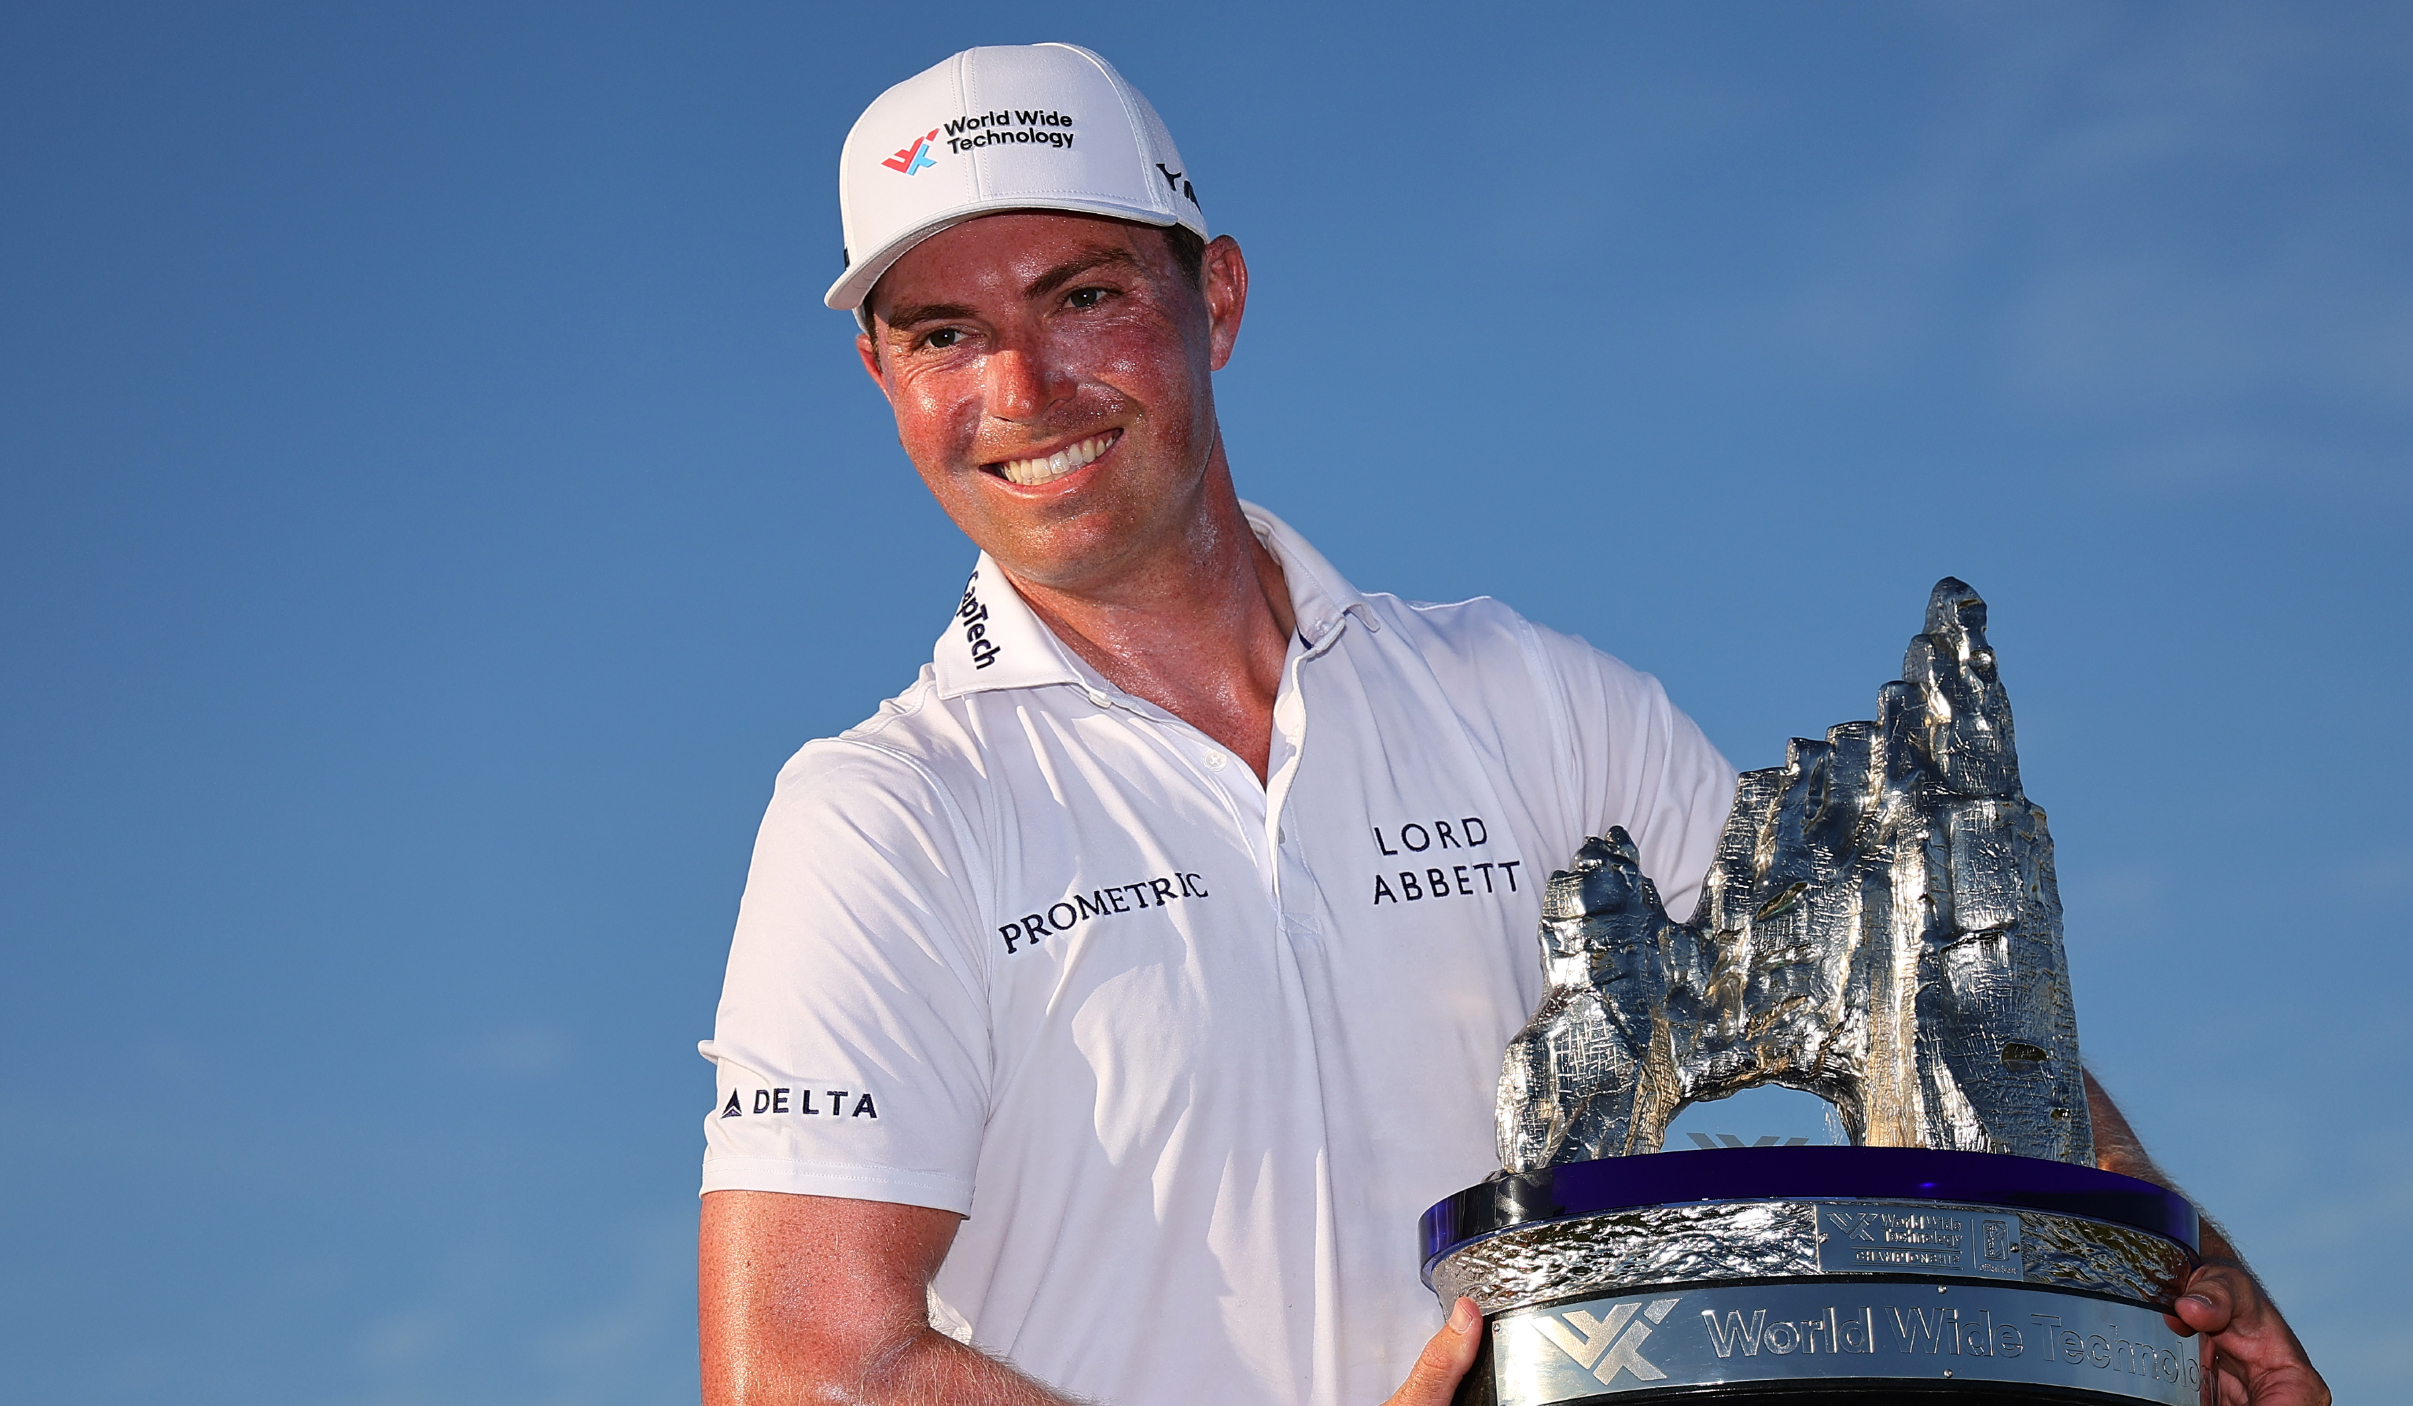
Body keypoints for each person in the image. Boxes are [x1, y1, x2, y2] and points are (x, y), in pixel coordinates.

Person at [696, 42, 2329, 1406]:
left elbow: (1906, 981)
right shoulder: (881, 815)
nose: (1025, 389)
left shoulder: (1524, 698)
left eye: (1082, 294)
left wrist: (2164, 1276)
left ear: (1221, 298)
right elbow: (800, 1368)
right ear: (880, 373)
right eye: (943, 335)